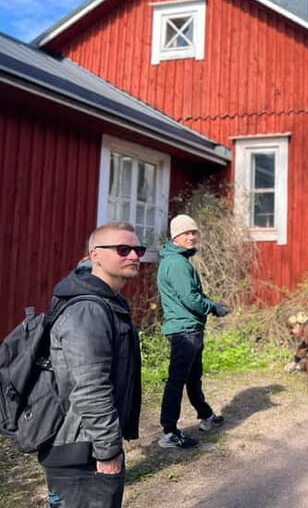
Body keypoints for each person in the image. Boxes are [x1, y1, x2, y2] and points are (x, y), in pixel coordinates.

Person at [38, 221, 143, 508]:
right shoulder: (89, 309)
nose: (134, 256)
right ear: (96, 255)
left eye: (137, 249)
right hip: (81, 451)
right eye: (123, 249)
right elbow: (90, 387)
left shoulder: (106, 302)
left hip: (87, 443)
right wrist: (108, 451)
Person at [157, 214, 229, 449]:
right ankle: (169, 433)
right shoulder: (177, 264)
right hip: (184, 330)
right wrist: (213, 307)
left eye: (193, 232)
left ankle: (205, 415)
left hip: (189, 329)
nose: (191, 237)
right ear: (175, 237)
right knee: (177, 381)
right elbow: (190, 298)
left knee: (192, 377)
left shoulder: (176, 260)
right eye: (186, 233)